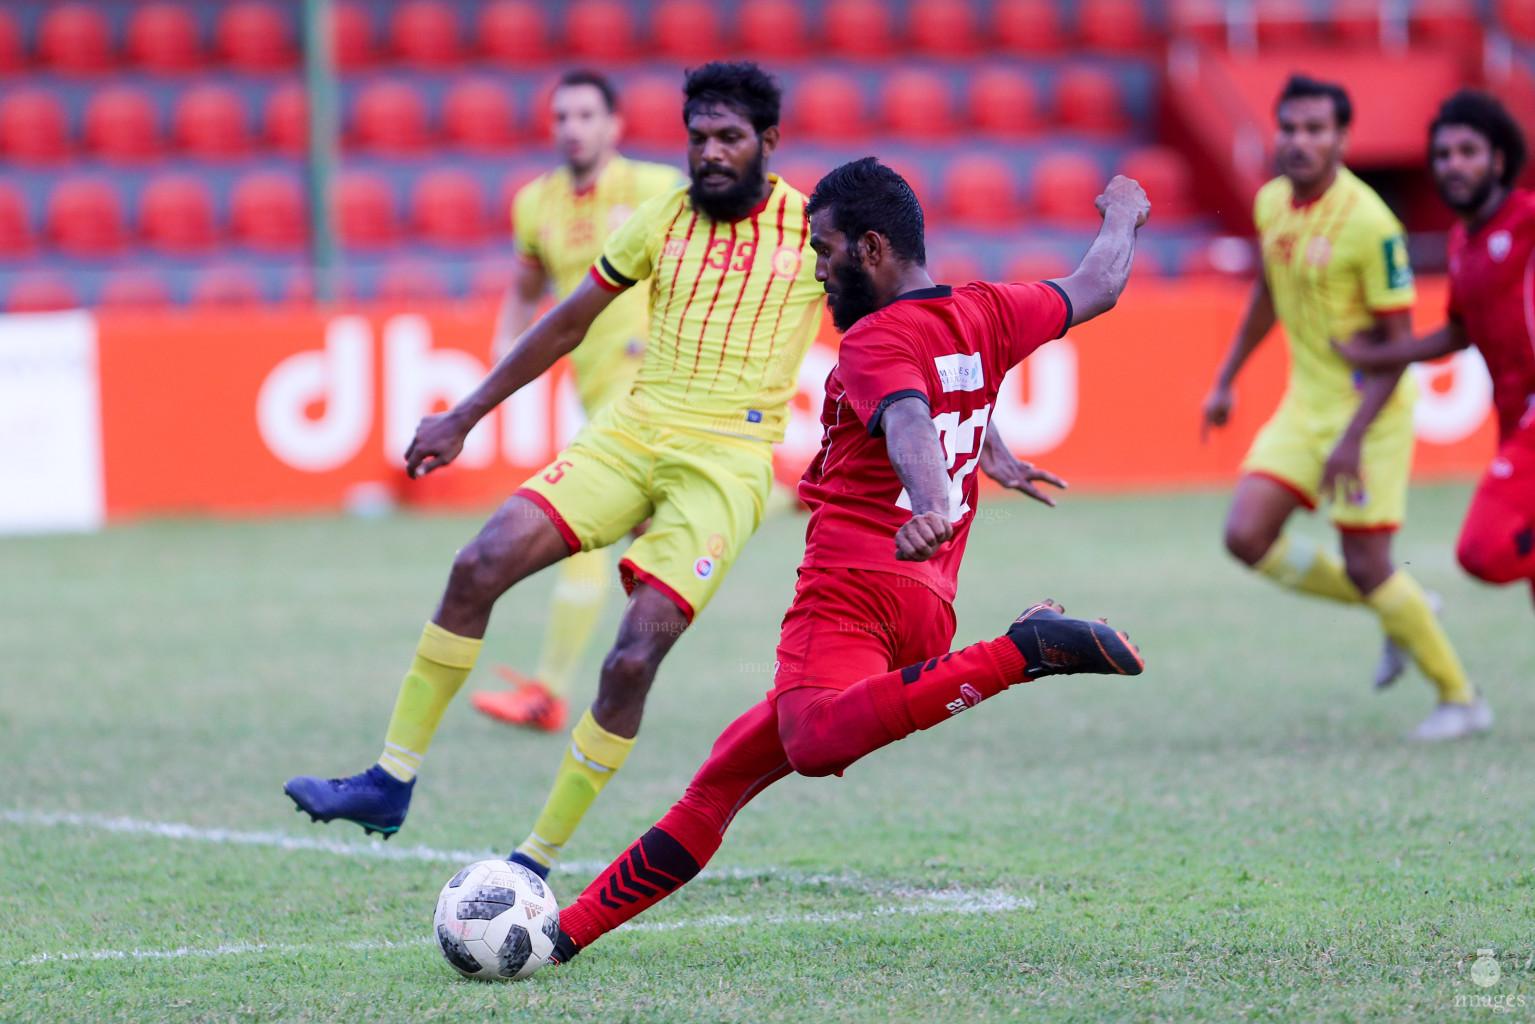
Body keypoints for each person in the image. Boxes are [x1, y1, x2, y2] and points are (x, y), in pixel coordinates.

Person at [527, 158, 1149, 967]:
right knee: (722, 778)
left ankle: (1024, 652)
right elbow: (1097, 285)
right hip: (925, 603)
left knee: (813, 740)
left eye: (824, 252)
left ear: (873, 249)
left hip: (853, 590)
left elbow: (908, 421)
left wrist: (931, 501)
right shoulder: (990, 311)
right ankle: (561, 936)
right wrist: (1123, 215)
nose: (816, 271)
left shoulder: (873, 339)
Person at [284, 62, 830, 867]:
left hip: (723, 466)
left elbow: (897, 327)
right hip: (630, 432)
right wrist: (464, 414)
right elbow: (566, 321)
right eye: (698, 138)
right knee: (478, 564)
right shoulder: (660, 219)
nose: (710, 153)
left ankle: (533, 861)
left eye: (729, 138)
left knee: (632, 658)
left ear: (768, 143)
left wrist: (970, 426)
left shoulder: (812, 230)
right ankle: (388, 781)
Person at [1200, 75, 1486, 741]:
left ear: (1341, 139)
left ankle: (1461, 698)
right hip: (1305, 404)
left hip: (1371, 414)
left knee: (1365, 562)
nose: (1299, 142)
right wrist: (1226, 378)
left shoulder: (1370, 224)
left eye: (1314, 130)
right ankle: (1402, 607)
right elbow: (1268, 295)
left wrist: (1353, 437)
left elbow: (1397, 347)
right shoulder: (1271, 202)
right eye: (1289, 128)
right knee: (1244, 536)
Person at [470, 70, 684, 734]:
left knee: (586, 533)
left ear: (614, 126)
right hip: (595, 391)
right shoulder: (534, 204)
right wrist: (503, 363)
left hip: (650, 387)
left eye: (586, 115)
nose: (572, 127)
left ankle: (549, 691)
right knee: (661, 536)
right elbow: (525, 286)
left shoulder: (656, 189)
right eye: (562, 116)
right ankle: (797, 492)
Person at [1336, 90, 1534, 615]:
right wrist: (1381, 356)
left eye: (1468, 151)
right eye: (1443, 155)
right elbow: (1458, 331)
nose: (1453, 165)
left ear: (1498, 159)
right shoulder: (1461, 243)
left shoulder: (1529, 220)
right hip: (1513, 423)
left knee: (1484, 552)